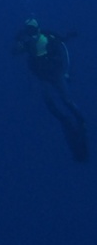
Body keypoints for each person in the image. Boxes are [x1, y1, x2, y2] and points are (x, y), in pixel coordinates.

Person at [13, 18, 88, 162]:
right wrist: (18, 43)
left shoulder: (48, 39)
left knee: (66, 99)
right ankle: (64, 119)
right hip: (43, 77)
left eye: (33, 30)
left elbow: (64, 51)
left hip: (56, 73)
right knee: (49, 102)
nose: (32, 34)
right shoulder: (27, 44)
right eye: (29, 31)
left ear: (38, 30)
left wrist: (66, 72)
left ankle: (81, 120)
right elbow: (14, 51)